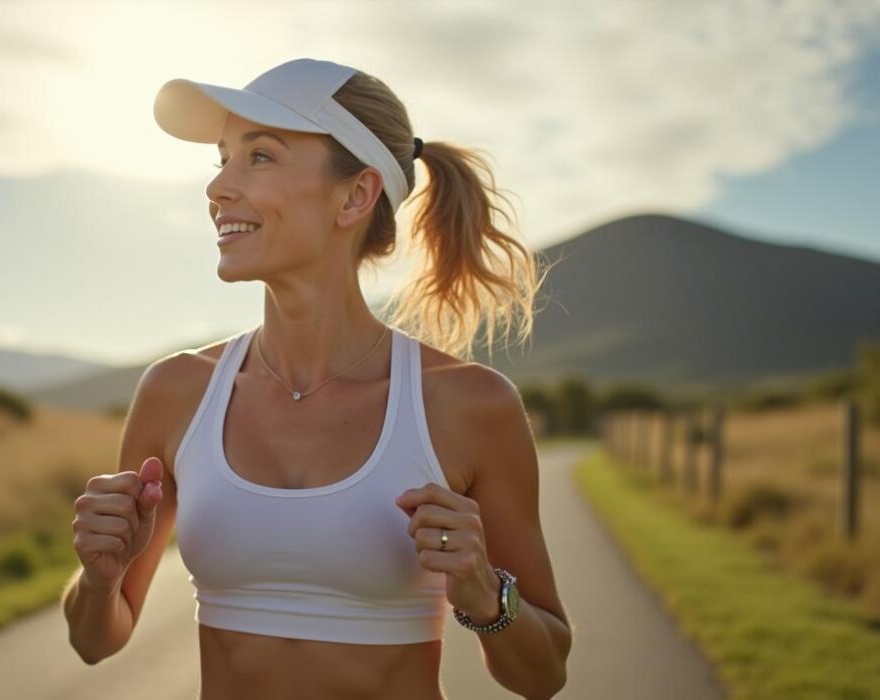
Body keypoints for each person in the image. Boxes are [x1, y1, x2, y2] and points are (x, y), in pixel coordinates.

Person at [64, 57, 572, 699]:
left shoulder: (467, 404)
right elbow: (95, 639)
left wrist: (482, 591)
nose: (218, 187)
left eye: (260, 157)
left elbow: (544, 674)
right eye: (220, 159)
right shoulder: (176, 392)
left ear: (355, 195)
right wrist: (100, 580)